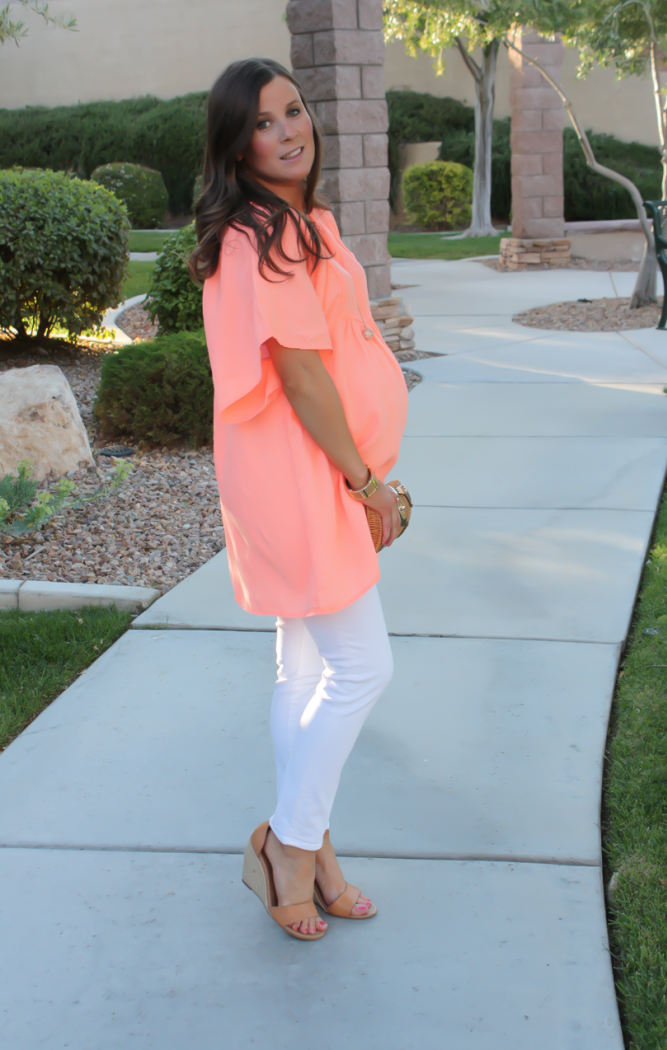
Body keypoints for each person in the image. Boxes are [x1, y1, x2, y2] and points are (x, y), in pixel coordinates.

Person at [191, 58, 408, 941]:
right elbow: (301, 372)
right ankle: (288, 841)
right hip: (300, 473)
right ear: (237, 145)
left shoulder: (297, 220)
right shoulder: (264, 235)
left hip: (296, 469)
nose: (290, 130)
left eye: (295, 110)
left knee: (305, 668)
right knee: (365, 667)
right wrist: (368, 483)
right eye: (265, 122)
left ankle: (308, 853)